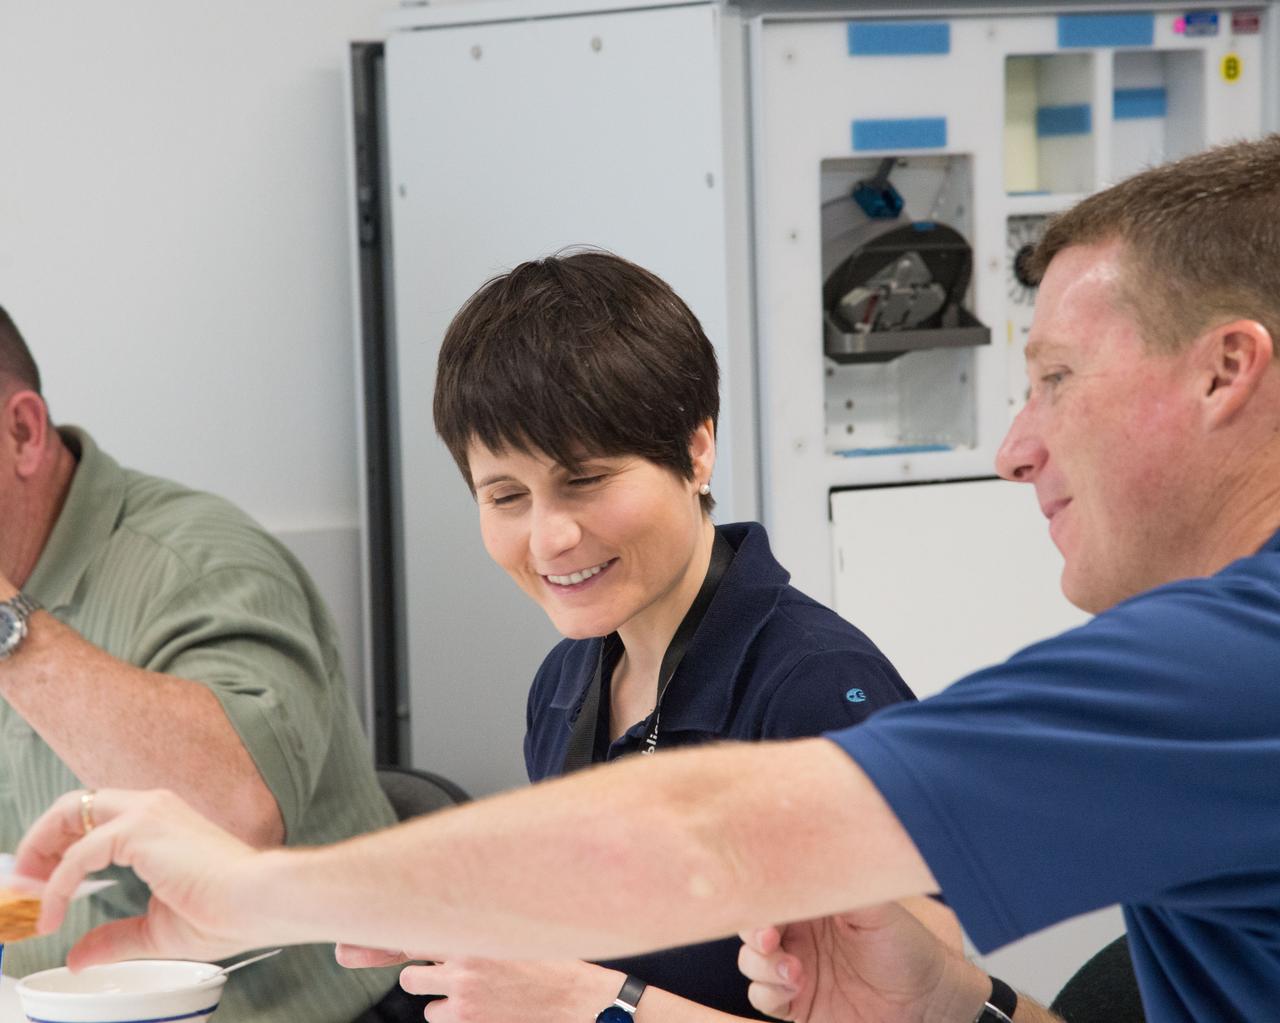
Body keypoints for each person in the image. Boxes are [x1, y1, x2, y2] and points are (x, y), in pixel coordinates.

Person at [16, 134, 1280, 1023]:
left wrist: (249, 894)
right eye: (503, 497)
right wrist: (956, 1005)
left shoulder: (1223, 667)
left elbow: (692, 833)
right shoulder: (574, 676)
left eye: (1055, 379)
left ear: (1226, 371)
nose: (1010, 448)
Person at [338, 251, 952, 1022]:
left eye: (585, 480)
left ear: (696, 451)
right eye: (505, 496)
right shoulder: (566, 681)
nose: (549, 537)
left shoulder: (817, 690)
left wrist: (600, 1004)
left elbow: (926, 1004)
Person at [0, 308, 400, 1021]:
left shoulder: (199, 564)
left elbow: (232, 823)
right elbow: (23, 889)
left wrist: (9, 631)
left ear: (22, 431)